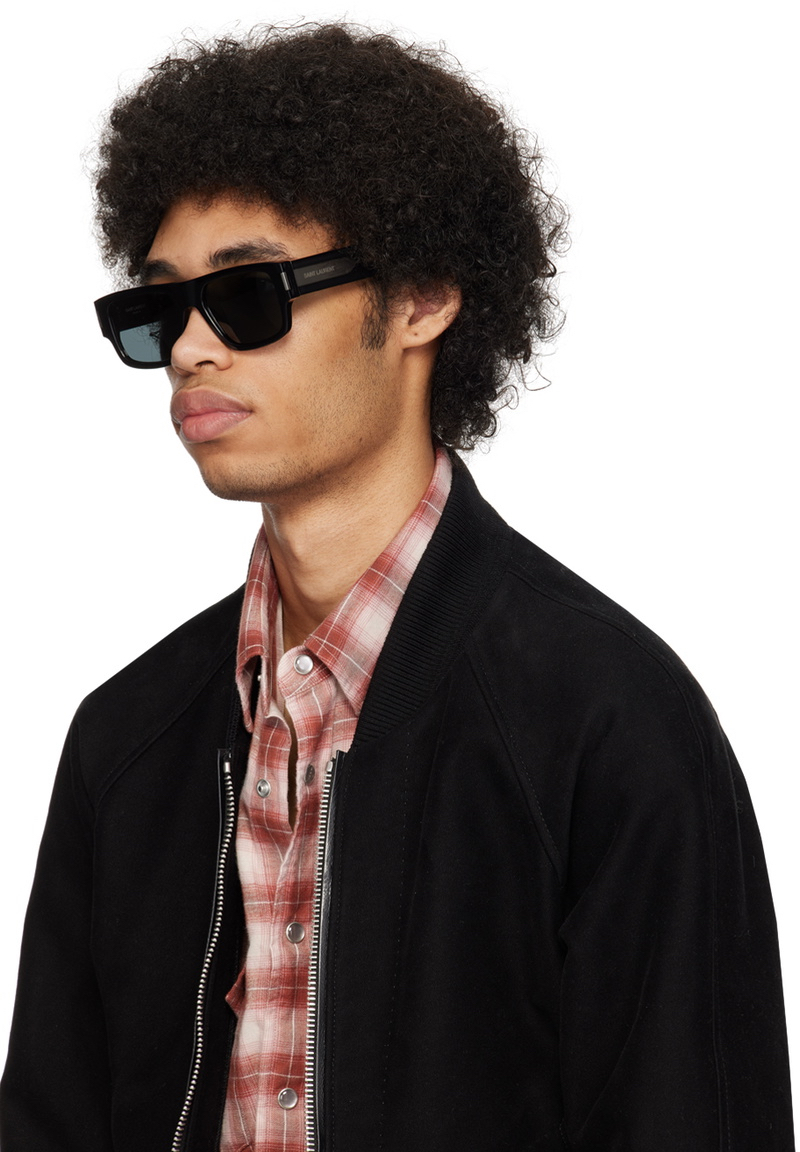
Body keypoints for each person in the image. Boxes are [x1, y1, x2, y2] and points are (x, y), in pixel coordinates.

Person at [0, 22, 793, 1152]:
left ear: (422, 297)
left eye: (250, 295)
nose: (188, 350)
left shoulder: (608, 723)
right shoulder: (123, 741)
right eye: (161, 309)